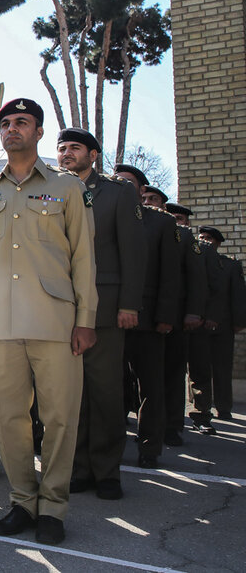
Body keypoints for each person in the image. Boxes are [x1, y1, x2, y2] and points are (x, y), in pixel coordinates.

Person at [0, 99, 96, 545]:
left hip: (56, 321)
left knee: (60, 417)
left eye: (22, 122)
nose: (12, 129)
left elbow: (83, 258)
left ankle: (53, 507)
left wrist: (86, 318)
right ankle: (22, 500)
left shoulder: (67, 188)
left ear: (39, 132)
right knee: (8, 418)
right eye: (5, 124)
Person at [56, 130, 145, 499]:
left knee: (106, 392)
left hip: (106, 308)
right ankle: (78, 468)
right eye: (61, 149)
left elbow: (133, 251)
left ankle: (107, 471)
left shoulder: (118, 192)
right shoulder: (52, 189)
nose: (66, 154)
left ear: (93, 154)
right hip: (60, 305)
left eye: (74, 148)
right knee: (70, 395)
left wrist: (129, 304)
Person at [113, 164, 179, 469]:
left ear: (141, 190)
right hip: (110, 316)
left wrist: (166, 316)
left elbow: (170, 273)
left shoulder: (161, 223)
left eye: (127, 183)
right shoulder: (105, 214)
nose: (120, 186)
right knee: (112, 385)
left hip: (149, 318)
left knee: (150, 386)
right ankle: (112, 443)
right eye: (116, 182)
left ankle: (150, 446)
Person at [155, 199, 208, 446]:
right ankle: (152, 425)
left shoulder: (187, 238)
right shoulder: (150, 230)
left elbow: (197, 279)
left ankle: (173, 426)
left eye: (179, 219)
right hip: (149, 313)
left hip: (177, 316)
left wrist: (193, 312)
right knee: (150, 376)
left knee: (174, 374)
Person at [190, 226, 246, 432]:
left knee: (222, 368)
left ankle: (224, 407)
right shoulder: (194, 260)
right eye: (202, 237)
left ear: (218, 243)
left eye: (210, 239)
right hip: (197, 324)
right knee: (198, 368)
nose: (205, 241)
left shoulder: (229, 265)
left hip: (222, 326)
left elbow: (237, 296)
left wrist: (239, 322)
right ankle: (201, 406)